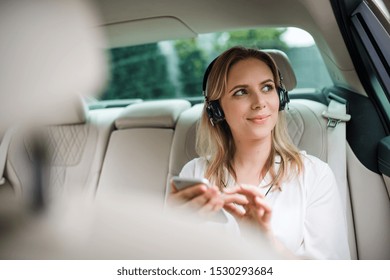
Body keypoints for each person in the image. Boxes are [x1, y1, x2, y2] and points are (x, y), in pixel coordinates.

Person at [169, 46, 350, 260]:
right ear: (216, 110)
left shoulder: (315, 175)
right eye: (241, 92)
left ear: (280, 97)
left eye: (267, 88)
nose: (259, 102)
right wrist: (172, 230)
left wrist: (266, 242)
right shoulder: (195, 173)